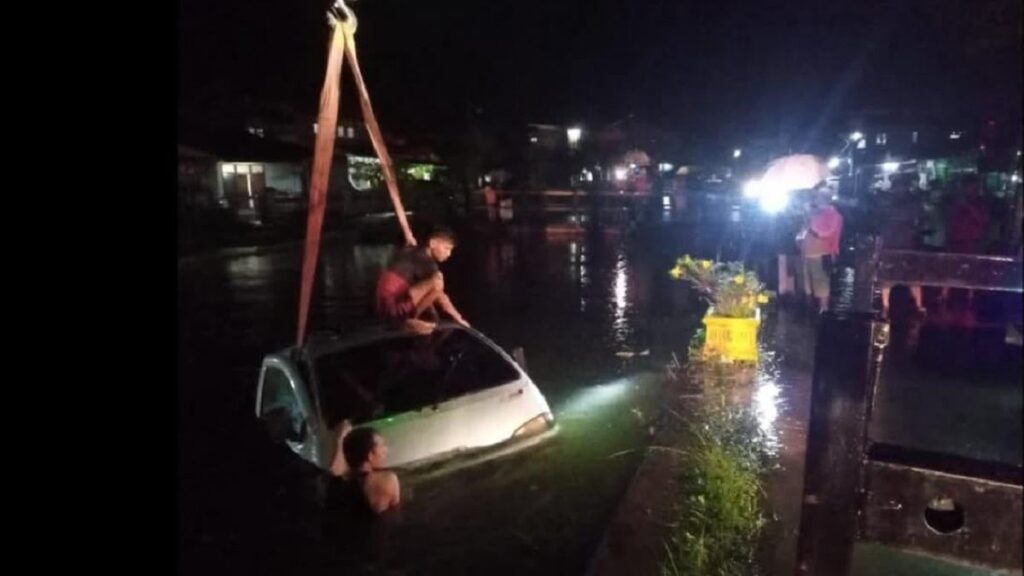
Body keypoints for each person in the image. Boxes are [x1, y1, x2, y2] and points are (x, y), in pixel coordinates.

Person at [374, 227, 470, 334]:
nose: (449, 254)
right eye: (447, 248)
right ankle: (409, 320)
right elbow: (441, 296)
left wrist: (434, 317)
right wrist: (458, 317)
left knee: (430, 293)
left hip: (382, 307)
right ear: (433, 243)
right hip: (393, 308)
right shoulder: (428, 264)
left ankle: (414, 319)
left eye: (451, 250)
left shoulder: (412, 248)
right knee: (437, 281)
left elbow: (428, 295)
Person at [329, 422, 400, 515]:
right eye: (382, 445)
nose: (385, 450)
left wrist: (341, 439)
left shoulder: (336, 487)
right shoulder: (388, 481)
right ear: (370, 456)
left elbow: (334, 472)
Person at [797, 185, 843, 313]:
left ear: (824, 198)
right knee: (807, 284)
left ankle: (823, 310)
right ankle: (810, 311)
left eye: (816, 197)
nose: (814, 199)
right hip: (807, 253)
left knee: (821, 284)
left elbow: (824, 233)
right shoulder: (815, 213)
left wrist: (810, 218)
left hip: (822, 254)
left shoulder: (833, 215)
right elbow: (803, 231)